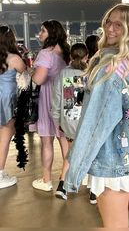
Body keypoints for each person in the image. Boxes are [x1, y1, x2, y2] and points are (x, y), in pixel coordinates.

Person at [64, 4, 129, 228]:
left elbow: (95, 123)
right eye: (108, 22)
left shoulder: (109, 68)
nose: (109, 28)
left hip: (114, 161)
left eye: (118, 24)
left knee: (115, 227)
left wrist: (73, 170)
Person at [31, 20, 70, 192]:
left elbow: (39, 79)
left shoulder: (46, 53)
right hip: (65, 98)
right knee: (65, 141)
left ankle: (46, 179)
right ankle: (66, 179)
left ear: (52, 33)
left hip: (49, 98)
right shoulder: (65, 52)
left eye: (43, 31)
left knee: (47, 141)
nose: (39, 34)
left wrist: (31, 73)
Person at [51, 43, 88, 200]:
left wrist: (57, 120)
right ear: (87, 57)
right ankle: (93, 192)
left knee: (71, 152)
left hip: (68, 122)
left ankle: (62, 185)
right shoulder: (90, 73)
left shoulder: (63, 74)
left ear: (71, 57)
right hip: (86, 121)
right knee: (92, 154)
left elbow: (56, 100)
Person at [0, 26, 26, 189]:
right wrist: (23, 54)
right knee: (4, 138)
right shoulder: (13, 58)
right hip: (6, 100)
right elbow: (25, 70)